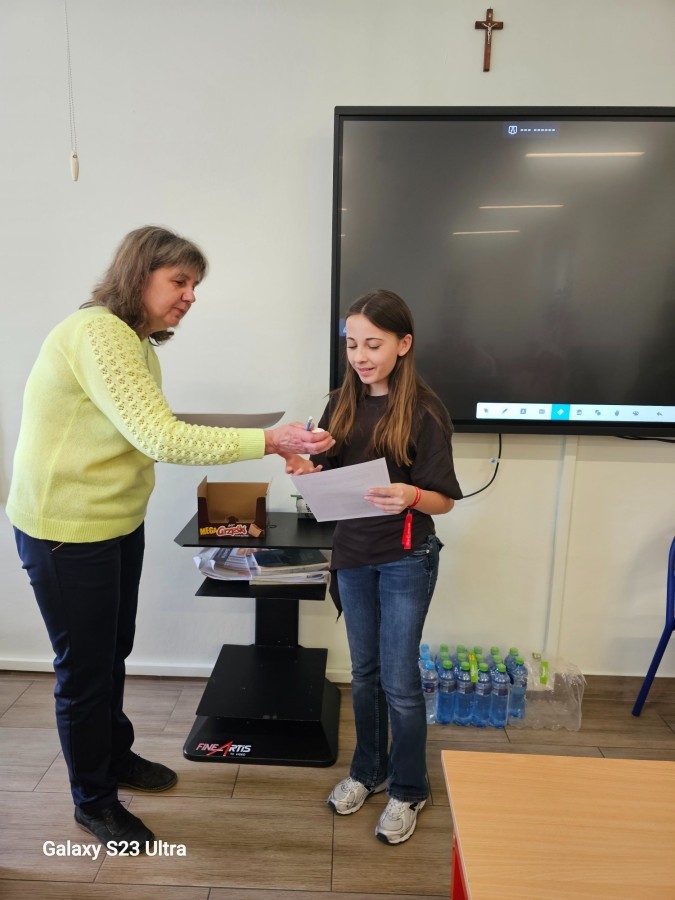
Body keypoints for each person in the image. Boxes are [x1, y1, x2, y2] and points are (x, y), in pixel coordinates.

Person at [5, 225, 334, 851]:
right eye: (179, 281)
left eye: (194, 285)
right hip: (66, 529)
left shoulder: (136, 342)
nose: (190, 296)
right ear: (139, 275)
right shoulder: (99, 332)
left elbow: (144, 424)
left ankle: (115, 756)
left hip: (112, 521)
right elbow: (160, 438)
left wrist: (268, 442)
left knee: (113, 651)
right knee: (85, 670)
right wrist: (271, 440)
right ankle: (93, 803)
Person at [285, 289, 462, 845]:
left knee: (400, 682)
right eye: (352, 345)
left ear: (403, 344)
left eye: (374, 345)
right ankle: (368, 771)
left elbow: (443, 501)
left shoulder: (426, 411)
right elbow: (324, 474)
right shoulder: (340, 402)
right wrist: (304, 469)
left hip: (406, 557)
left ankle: (410, 787)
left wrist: (412, 494)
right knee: (364, 674)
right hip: (354, 555)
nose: (360, 357)